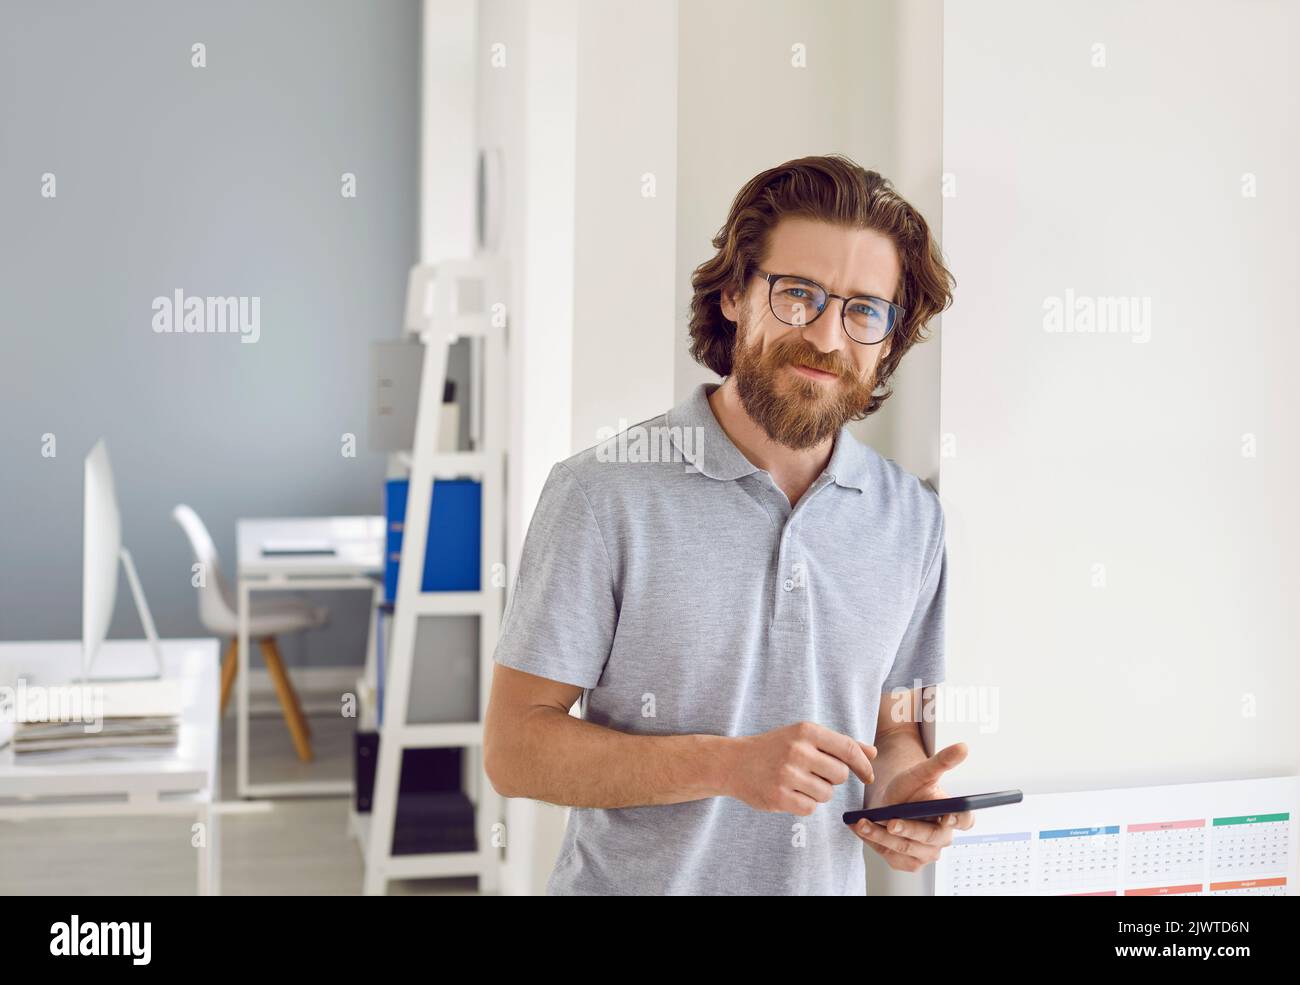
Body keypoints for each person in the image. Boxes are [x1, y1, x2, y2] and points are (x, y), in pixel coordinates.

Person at [484, 154, 971, 895]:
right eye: (797, 294)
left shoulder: (913, 519)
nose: (828, 337)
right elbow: (515, 747)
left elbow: (894, 729)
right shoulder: (601, 493)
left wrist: (906, 801)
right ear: (737, 293)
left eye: (863, 309)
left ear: (890, 337)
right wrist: (725, 764)